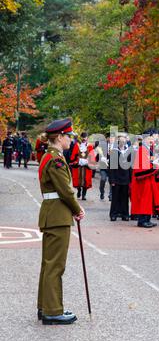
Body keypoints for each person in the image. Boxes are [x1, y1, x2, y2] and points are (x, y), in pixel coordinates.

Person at [37, 118, 85, 325]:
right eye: (68, 136)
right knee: (55, 265)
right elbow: (65, 190)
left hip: (53, 214)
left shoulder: (51, 156)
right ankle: (52, 310)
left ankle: (45, 306)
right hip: (58, 215)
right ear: (59, 137)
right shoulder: (55, 159)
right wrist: (77, 208)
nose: (71, 140)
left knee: (48, 264)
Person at [108, 133, 131, 221]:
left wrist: (130, 178)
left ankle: (125, 214)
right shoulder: (114, 151)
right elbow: (111, 168)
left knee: (125, 197)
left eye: (124, 139)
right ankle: (113, 214)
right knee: (115, 198)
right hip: (116, 178)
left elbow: (130, 166)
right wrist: (112, 180)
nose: (122, 141)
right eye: (121, 140)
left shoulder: (128, 151)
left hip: (126, 178)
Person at [70, 132, 94, 200]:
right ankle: (79, 190)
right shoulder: (77, 145)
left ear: (87, 138)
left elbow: (92, 156)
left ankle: (84, 195)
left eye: (85, 137)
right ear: (81, 138)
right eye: (83, 137)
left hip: (86, 166)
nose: (84, 139)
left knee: (86, 180)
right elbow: (73, 155)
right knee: (78, 180)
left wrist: (89, 162)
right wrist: (76, 161)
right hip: (79, 165)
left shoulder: (90, 146)